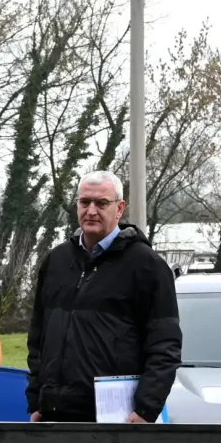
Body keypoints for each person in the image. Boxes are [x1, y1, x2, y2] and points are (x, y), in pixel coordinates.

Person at [24, 170, 182, 423]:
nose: (91, 210)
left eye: (101, 203)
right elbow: (37, 339)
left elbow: (165, 346)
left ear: (119, 209)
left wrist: (145, 409)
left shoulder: (147, 266)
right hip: (55, 413)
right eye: (84, 202)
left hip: (117, 418)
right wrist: (36, 401)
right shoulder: (56, 261)